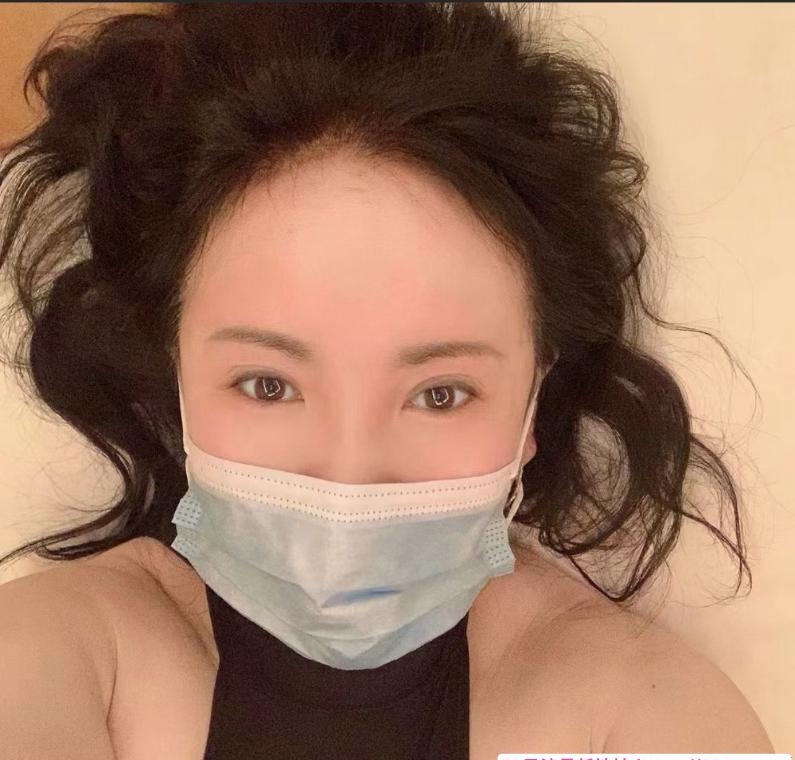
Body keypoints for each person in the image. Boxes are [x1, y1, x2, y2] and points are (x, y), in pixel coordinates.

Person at [0, 3, 775, 758]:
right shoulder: (58, 654)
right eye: (267, 384)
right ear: (175, 376)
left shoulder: (634, 711)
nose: (349, 478)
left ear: (531, 406)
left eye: (440, 394)